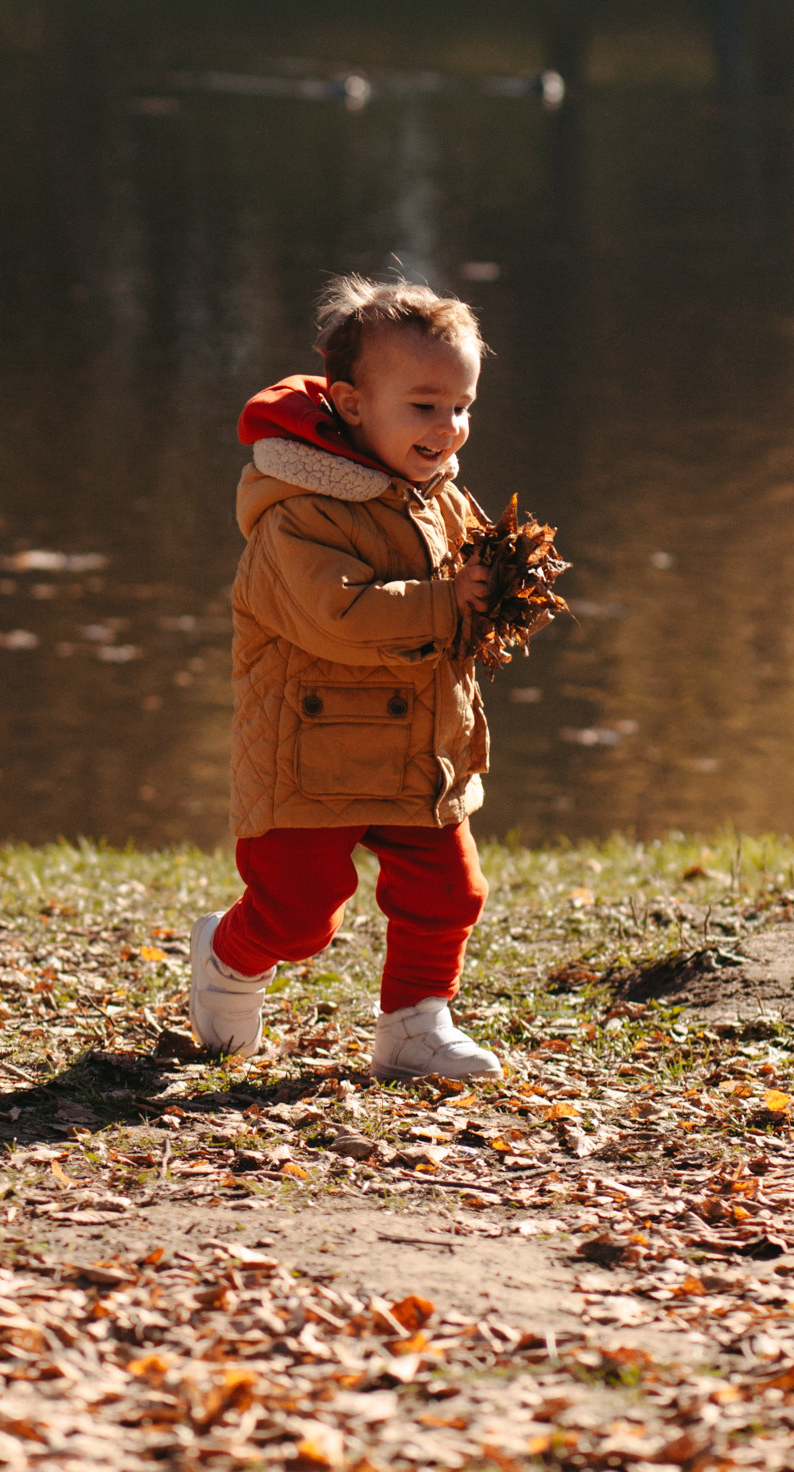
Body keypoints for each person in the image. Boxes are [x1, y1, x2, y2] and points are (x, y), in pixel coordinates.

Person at [190, 273, 504, 1080]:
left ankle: (415, 1023)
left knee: (448, 893)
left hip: (418, 747)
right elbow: (339, 617)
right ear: (353, 404)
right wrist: (445, 601)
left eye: (461, 406)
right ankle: (230, 957)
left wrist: (500, 586)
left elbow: (464, 588)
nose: (451, 427)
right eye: (425, 405)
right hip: (311, 752)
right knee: (299, 917)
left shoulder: (436, 497)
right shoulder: (299, 511)